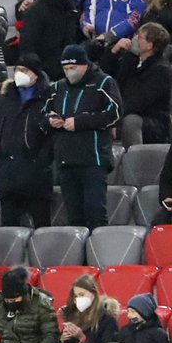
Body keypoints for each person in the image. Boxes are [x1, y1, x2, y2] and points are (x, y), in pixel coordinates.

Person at [48, 43, 122, 229]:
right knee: (74, 218)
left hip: (93, 159)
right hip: (66, 160)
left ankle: (100, 255)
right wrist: (50, 121)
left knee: (96, 214)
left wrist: (80, 122)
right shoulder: (58, 87)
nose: (69, 72)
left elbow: (115, 113)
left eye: (73, 67)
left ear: (85, 64)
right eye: (65, 68)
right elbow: (42, 113)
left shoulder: (104, 83)